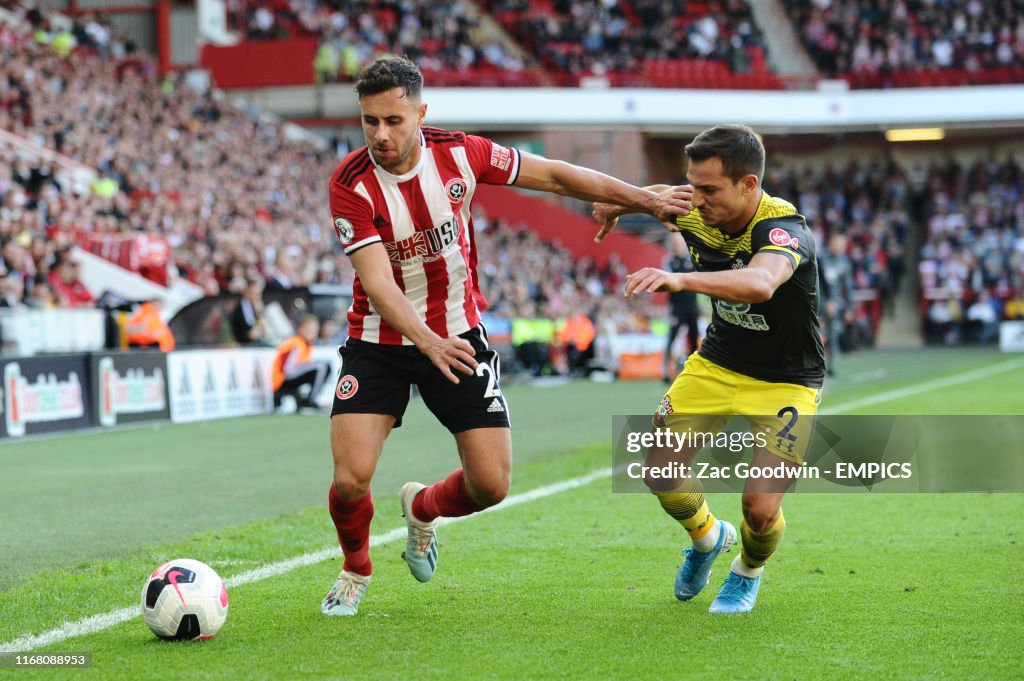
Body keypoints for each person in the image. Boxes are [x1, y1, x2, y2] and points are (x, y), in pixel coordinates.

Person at [320, 56, 690, 616]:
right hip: (380, 343)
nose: (381, 134)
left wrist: (646, 199)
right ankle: (356, 569)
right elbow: (376, 282)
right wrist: (425, 339)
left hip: (459, 337)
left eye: (394, 120)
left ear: (421, 113)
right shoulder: (351, 185)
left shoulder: (462, 154)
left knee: (491, 484)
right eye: (370, 121)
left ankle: (422, 507)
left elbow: (557, 174)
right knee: (350, 480)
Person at [592, 124, 825, 614]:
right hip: (716, 363)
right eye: (692, 185)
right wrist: (624, 202)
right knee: (661, 473)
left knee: (760, 509)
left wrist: (680, 280)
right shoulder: (694, 203)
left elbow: (762, 283)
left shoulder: (782, 228)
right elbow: (662, 196)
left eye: (709, 189)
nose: (694, 201)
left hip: (786, 380)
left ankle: (747, 570)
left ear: (749, 185)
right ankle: (706, 538)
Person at [271, 314, 331, 412]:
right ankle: (310, 401)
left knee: (320, 367)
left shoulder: (306, 344)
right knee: (322, 367)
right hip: (282, 382)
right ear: (300, 329)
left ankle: (308, 400)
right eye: (308, 329)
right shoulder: (296, 344)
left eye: (314, 330)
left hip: (287, 379)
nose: (311, 332)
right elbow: (287, 370)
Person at [662, 234, 700, 382]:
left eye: (680, 242)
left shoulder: (692, 260)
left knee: (693, 338)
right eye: (675, 242)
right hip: (677, 307)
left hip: (692, 306)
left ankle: (694, 371)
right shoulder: (669, 261)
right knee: (671, 339)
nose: (679, 245)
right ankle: (666, 372)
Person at [230, 276, 268, 345]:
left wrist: (260, 313)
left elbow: (266, 329)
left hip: (257, 343)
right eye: (256, 293)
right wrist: (259, 313)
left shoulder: (255, 307)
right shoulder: (241, 309)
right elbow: (252, 334)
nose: (258, 296)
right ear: (247, 291)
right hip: (245, 345)